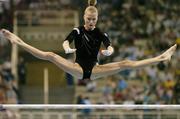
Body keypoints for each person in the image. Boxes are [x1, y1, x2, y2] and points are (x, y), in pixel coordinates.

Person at [0, 0, 177, 81]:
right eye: (88, 19)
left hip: (95, 69)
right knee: (50, 55)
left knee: (126, 63)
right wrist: (67, 48)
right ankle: (18, 41)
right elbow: (65, 42)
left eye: (94, 20)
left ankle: (162, 58)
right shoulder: (77, 30)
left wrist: (109, 51)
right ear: (84, 17)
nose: (91, 22)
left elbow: (110, 47)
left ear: (97, 19)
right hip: (77, 68)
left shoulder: (101, 33)